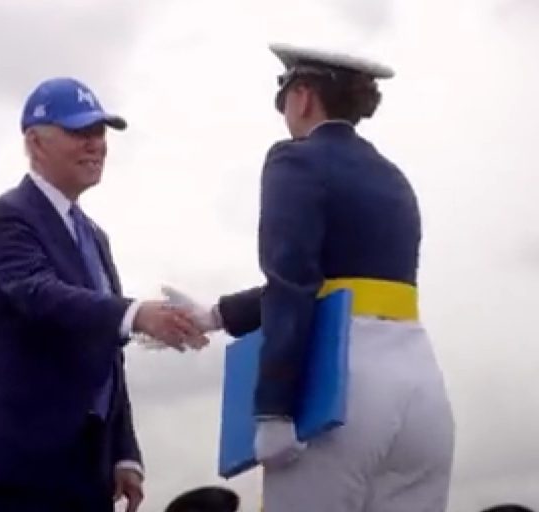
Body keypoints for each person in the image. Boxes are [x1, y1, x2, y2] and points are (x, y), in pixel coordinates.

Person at [164, 43, 455, 512]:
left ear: (302, 96)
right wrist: (213, 315)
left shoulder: (294, 160)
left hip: (342, 385)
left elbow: (293, 283)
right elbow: (336, 284)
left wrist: (274, 409)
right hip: (421, 386)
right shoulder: (392, 176)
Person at [0, 76, 207, 512]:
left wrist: (123, 450)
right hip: (24, 467)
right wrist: (137, 314)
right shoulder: (6, 219)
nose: (96, 145)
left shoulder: (94, 237)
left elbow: (105, 352)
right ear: (34, 142)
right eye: (79, 133)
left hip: (88, 466)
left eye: (99, 133)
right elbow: (40, 295)